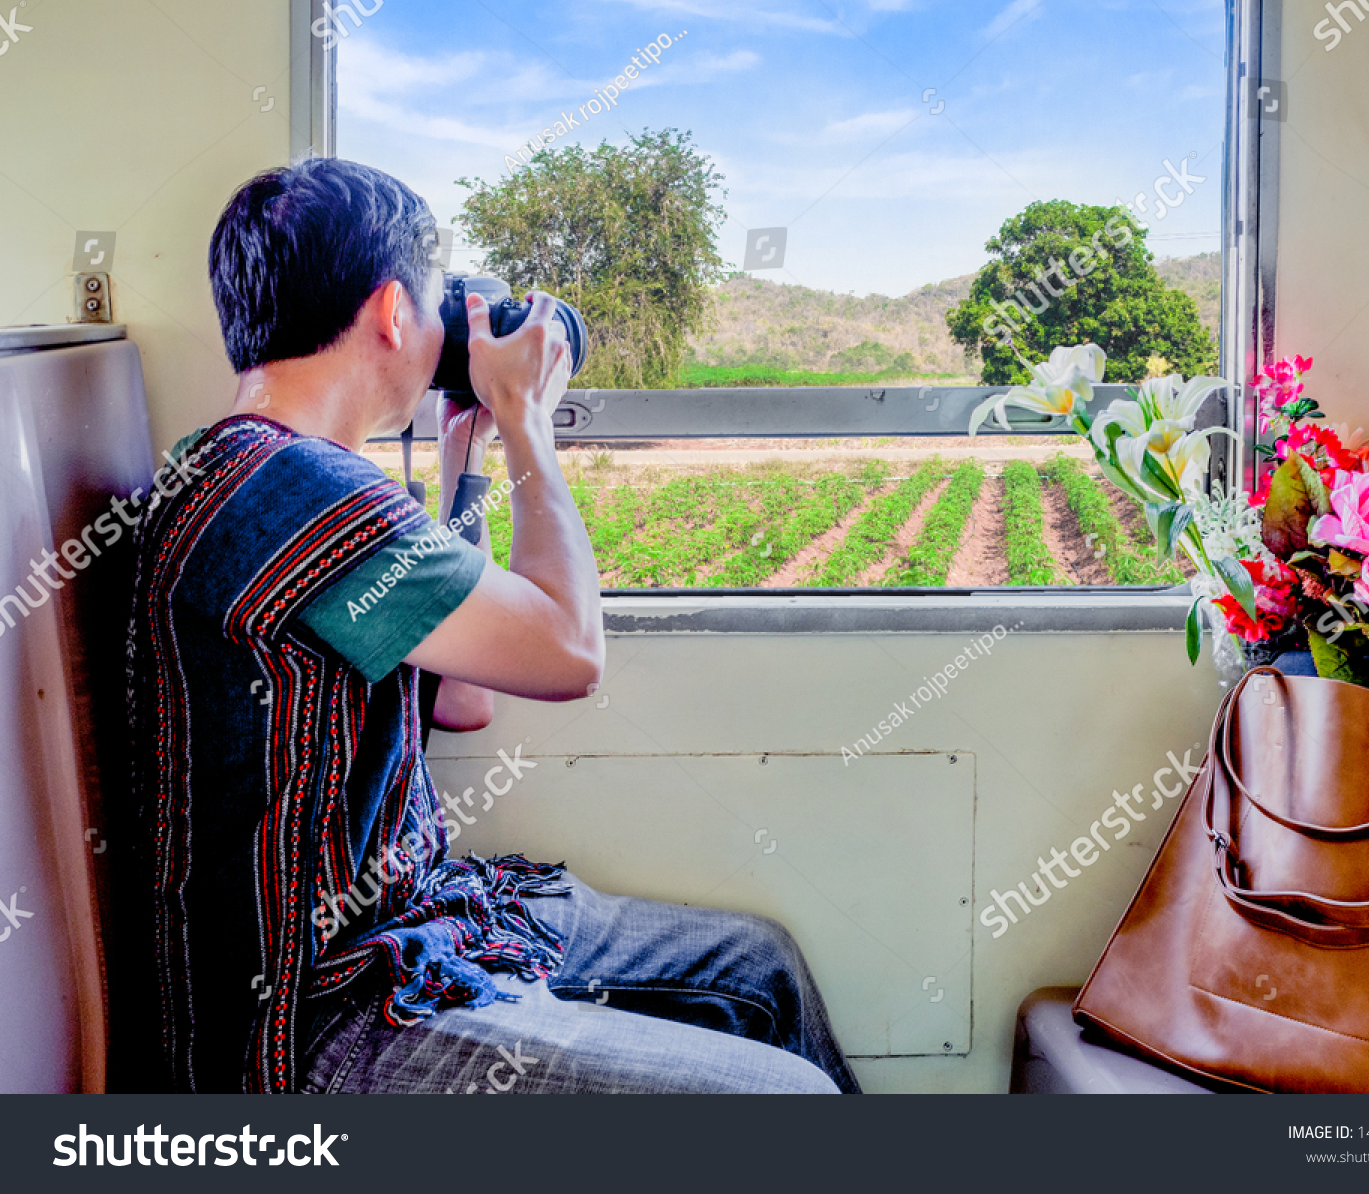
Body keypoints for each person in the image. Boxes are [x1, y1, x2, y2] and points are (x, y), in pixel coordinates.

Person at [124, 156, 858, 1094]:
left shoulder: (258, 473)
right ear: (393, 312)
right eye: (438, 306)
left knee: (758, 967)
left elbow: (465, 702)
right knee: (786, 1098)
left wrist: (467, 464)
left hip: (398, 928)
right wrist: (526, 421)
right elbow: (568, 653)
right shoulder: (292, 489)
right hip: (315, 1026)